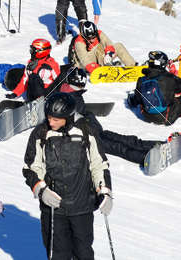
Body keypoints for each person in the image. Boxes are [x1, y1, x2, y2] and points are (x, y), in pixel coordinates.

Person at [22, 93, 112, 260]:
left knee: (83, 253)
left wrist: (105, 192)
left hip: (82, 207)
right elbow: (31, 168)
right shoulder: (41, 133)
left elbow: (99, 165)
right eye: (49, 117)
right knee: (58, 255)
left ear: (68, 117)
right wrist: (42, 190)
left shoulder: (86, 130)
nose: (51, 122)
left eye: (56, 119)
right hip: (54, 208)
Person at [61, 67, 170, 166]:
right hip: (89, 138)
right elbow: (74, 121)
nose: (82, 86)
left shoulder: (70, 93)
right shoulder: (69, 99)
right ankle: (146, 158)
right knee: (120, 148)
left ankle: (159, 145)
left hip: (96, 131)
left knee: (127, 140)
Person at [69, 19, 135, 73]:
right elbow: (84, 59)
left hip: (99, 59)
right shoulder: (79, 42)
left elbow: (109, 43)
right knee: (98, 48)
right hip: (84, 64)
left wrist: (109, 54)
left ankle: (132, 65)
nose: (92, 40)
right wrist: (97, 69)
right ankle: (103, 69)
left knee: (118, 46)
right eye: (89, 38)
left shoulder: (99, 33)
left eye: (94, 37)